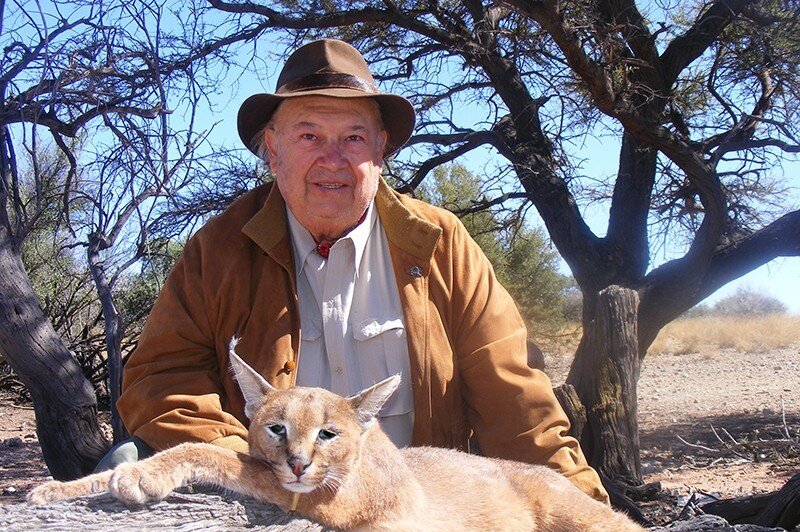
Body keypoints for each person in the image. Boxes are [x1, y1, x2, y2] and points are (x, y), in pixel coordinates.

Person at [101, 39, 608, 503]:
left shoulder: (440, 244)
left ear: (380, 151)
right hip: (271, 513)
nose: (333, 159)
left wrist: (583, 509)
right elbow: (163, 381)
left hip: (417, 516)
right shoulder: (217, 252)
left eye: (353, 137)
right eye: (309, 135)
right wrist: (249, 471)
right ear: (272, 152)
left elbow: (514, 401)